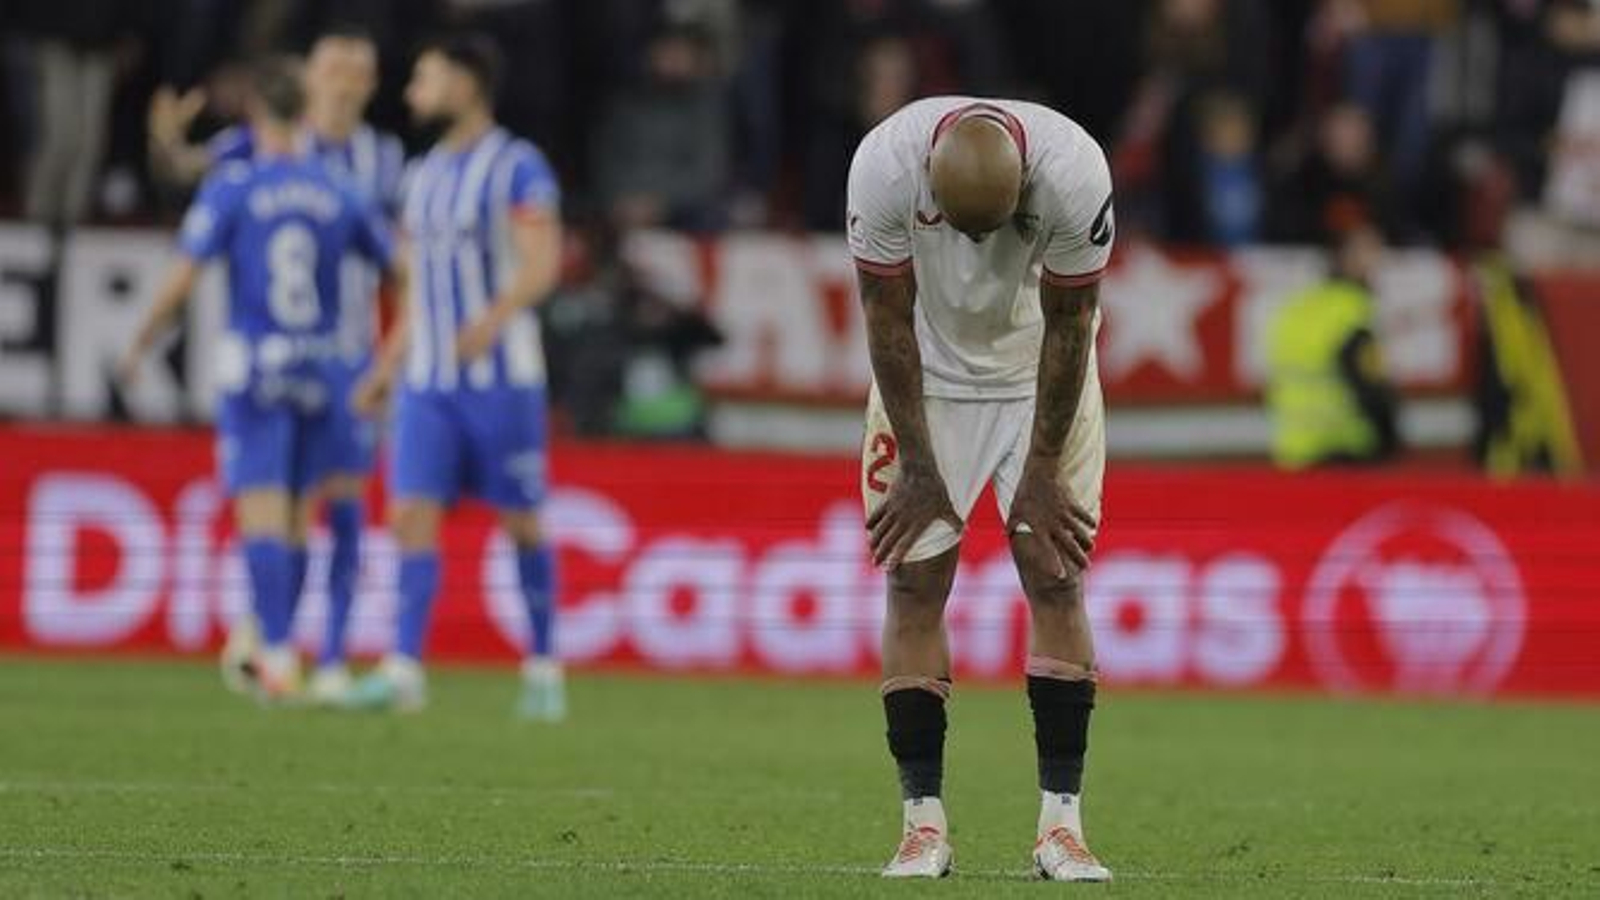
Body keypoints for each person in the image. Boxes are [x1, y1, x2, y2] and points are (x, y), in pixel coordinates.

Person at [847, 98, 1116, 881]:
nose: (975, 247)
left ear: (1023, 186)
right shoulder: (882, 166)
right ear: (929, 182)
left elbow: (1072, 322)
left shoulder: (1076, 172)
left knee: (1056, 575)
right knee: (913, 580)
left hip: (1040, 379)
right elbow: (884, 316)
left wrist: (1042, 468)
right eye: (958, 229)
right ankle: (921, 828)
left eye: (992, 230)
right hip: (926, 380)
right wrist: (919, 465)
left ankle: (1061, 831)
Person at [117, 56, 398, 701]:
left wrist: (139, 341)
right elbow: (398, 267)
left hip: (257, 367)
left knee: (262, 516)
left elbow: (183, 277)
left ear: (253, 113)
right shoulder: (340, 188)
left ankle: (274, 652)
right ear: (305, 112)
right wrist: (390, 355)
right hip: (326, 365)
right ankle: (295, 652)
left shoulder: (236, 185)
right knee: (302, 517)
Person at [347, 35, 566, 720]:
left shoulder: (517, 166)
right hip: (428, 381)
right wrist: (386, 367)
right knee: (409, 513)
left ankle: (543, 667)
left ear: (466, 84)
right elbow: (417, 292)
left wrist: (493, 318)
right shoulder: (420, 176)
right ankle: (403, 669)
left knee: (521, 522)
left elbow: (543, 261)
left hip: (502, 379)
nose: (412, 92)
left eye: (426, 78)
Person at [1266, 222, 1401, 469]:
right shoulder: (1353, 312)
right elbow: (1370, 387)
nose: (1379, 261)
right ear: (1348, 258)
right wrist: (1391, 442)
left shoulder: (1298, 307)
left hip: (1294, 452)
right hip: (1345, 451)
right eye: (1372, 251)